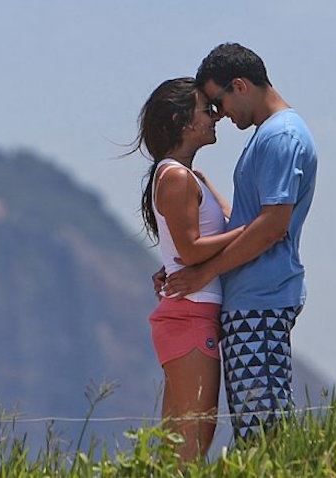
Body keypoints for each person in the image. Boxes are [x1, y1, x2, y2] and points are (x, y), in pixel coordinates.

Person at [158, 43, 318, 441]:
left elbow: (272, 225)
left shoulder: (280, 137)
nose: (221, 114)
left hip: (260, 298)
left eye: (219, 101)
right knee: (254, 424)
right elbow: (248, 222)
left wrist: (205, 272)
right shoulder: (271, 136)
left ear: (240, 86)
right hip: (252, 299)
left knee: (262, 431)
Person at [131, 77, 245, 461]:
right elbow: (192, 250)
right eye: (205, 110)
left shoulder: (190, 177)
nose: (215, 116)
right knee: (193, 440)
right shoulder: (176, 177)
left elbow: (218, 228)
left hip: (193, 313)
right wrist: (254, 231)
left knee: (181, 440)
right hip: (191, 315)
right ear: (181, 122)